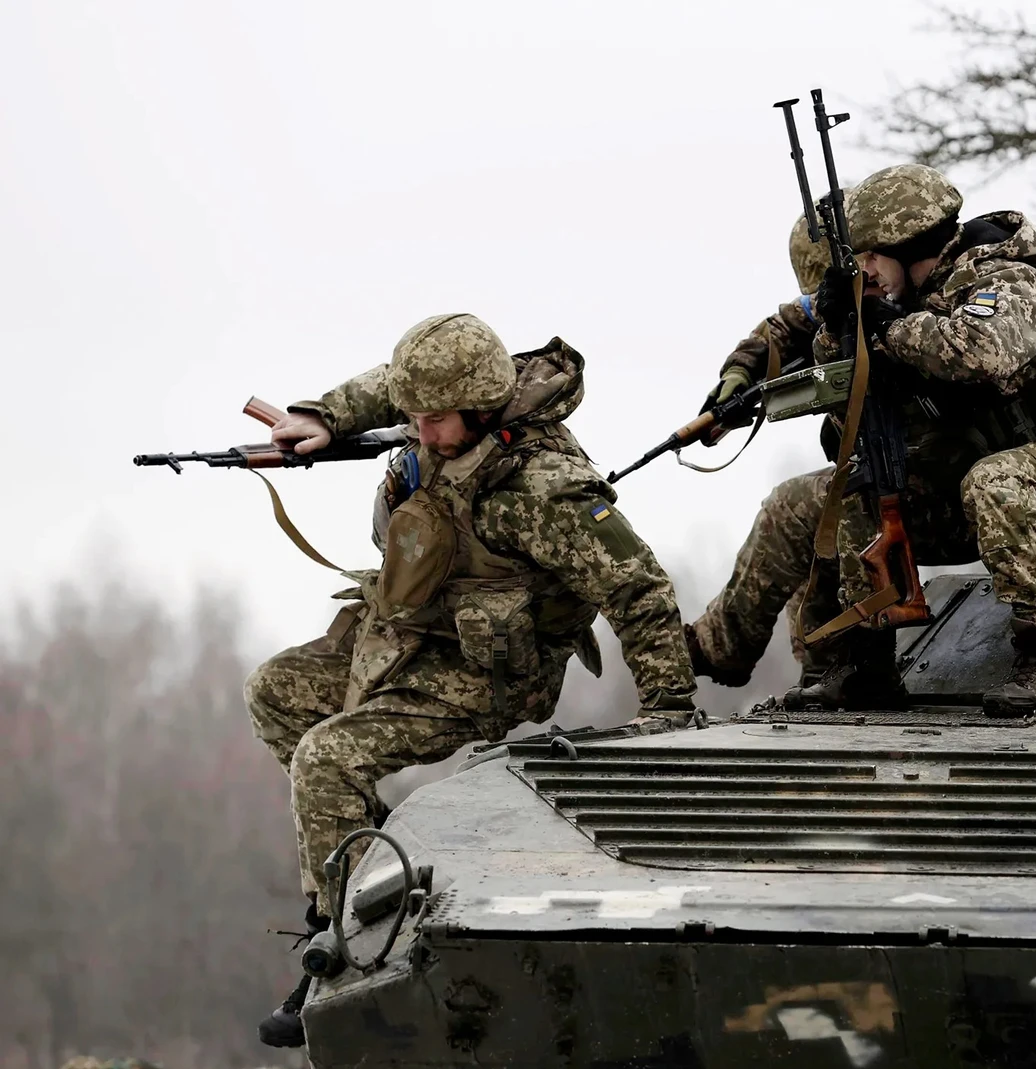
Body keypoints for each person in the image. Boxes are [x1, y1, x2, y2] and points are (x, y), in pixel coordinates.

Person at [245, 314, 698, 1047]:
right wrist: (322, 416)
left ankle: (352, 946)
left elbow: (639, 590)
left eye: (433, 419)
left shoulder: (546, 491)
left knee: (326, 758)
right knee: (275, 690)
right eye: (412, 415)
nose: (418, 430)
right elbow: (390, 389)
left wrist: (671, 711)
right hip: (413, 635)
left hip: (488, 674)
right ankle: (367, 868)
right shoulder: (446, 404)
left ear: (482, 407)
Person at [800, 163, 1036, 715]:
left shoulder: (1012, 280)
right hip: (975, 487)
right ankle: (866, 663)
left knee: (998, 480)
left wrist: (882, 325)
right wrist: (840, 323)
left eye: (871, 256)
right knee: (859, 486)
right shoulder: (908, 302)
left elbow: (978, 351)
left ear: (908, 244)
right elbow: (842, 385)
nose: (866, 270)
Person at [687, 214, 844, 689]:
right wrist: (740, 374)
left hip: (950, 475)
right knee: (818, 522)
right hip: (896, 474)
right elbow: (785, 324)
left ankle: (721, 648)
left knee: (794, 508)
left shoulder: (934, 298)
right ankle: (826, 669)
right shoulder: (853, 298)